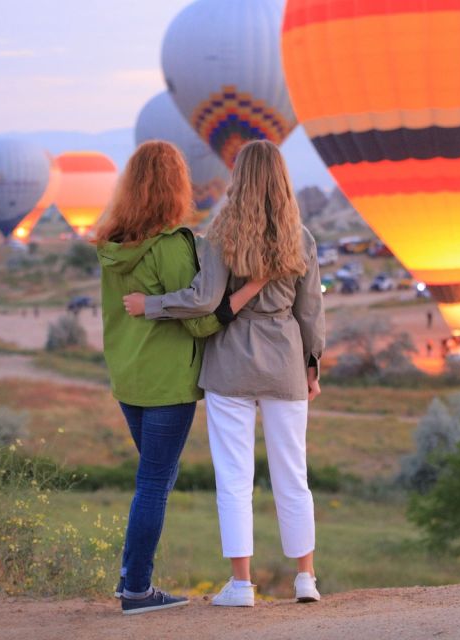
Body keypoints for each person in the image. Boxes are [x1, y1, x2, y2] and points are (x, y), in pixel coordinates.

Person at [124, 140, 326, 607]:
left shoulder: (220, 234)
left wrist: (149, 305)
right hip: (284, 362)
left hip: (229, 364)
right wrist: (312, 365)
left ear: (239, 177)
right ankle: (306, 579)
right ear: (282, 177)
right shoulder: (302, 237)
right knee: (293, 475)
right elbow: (311, 312)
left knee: (234, 477)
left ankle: (240, 586)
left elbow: (200, 299)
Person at [96, 141, 263, 615]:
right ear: (175, 186)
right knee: (154, 482)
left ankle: (130, 575)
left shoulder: (112, 244)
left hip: (128, 379)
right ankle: (136, 590)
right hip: (168, 384)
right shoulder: (172, 247)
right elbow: (197, 318)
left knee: (154, 477)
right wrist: (238, 303)